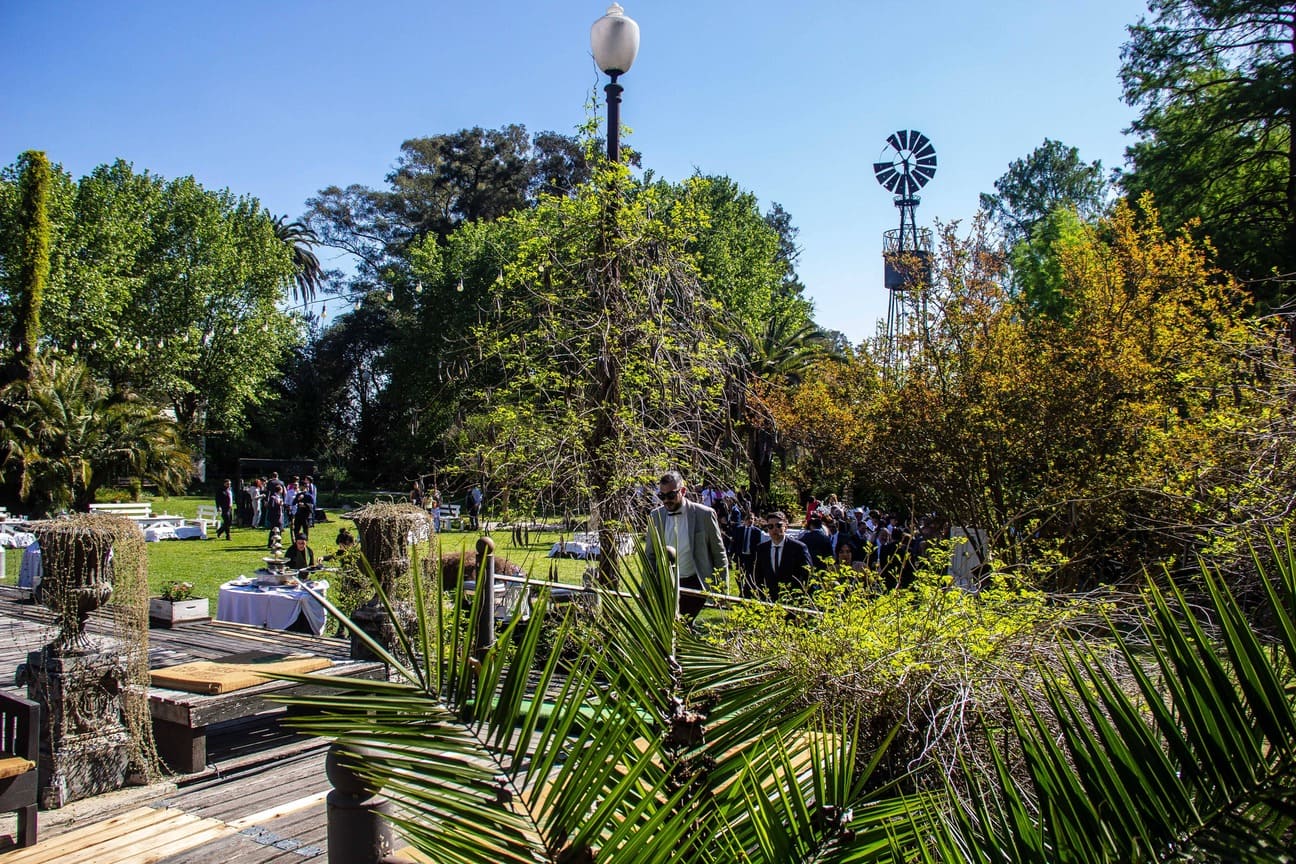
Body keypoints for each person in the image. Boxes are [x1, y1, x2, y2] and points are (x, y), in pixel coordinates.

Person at [644, 470, 729, 618]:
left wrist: (722, 590)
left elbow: (718, 553)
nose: (666, 500)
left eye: (671, 495)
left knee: (684, 623)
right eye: (662, 496)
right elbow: (650, 555)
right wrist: (645, 587)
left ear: (683, 491)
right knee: (668, 623)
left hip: (694, 581)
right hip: (665, 581)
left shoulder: (704, 514)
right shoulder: (656, 516)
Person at [754, 511, 812, 602]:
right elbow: (758, 575)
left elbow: (807, 574)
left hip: (793, 600)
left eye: (778, 525)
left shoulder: (799, 548)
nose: (774, 529)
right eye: (770, 526)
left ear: (786, 526)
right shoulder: (761, 549)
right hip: (768, 600)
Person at [730, 510, 765, 598]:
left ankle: (746, 593)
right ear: (744, 520)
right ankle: (741, 590)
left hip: (751, 557)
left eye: (752, 519)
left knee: (749, 576)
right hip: (740, 556)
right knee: (738, 575)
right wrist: (731, 553)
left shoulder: (757, 531)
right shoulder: (739, 530)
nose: (750, 521)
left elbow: (759, 546)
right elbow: (734, 543)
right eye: (748, 519)